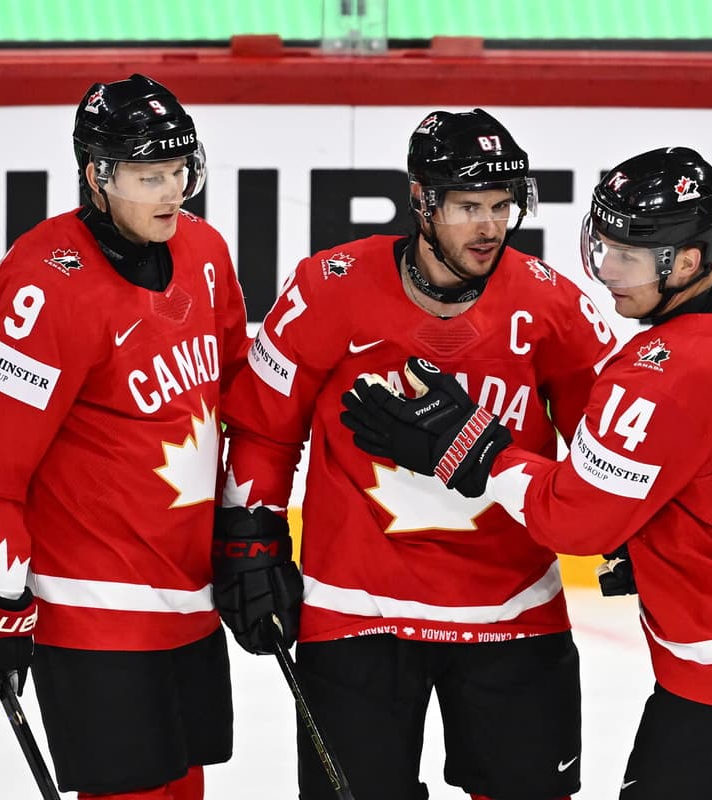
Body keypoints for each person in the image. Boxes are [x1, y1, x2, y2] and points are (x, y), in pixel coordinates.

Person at [340, 146, 712, 799]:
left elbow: (574, 519)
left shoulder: (656, 378)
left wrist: (474, 448)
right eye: (602, 244)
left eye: (629, 256)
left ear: (689, 262)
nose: (607, 270)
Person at [212, 109, 621, 800]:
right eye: (467, 206)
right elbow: (264, 427)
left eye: (501, 206)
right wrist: (250, 537)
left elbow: (610, 441)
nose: (489, 227)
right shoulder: (328, 288)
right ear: (421, 201)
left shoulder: (551, 306)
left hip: (512, 610)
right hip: (357, 611)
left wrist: (637, 535)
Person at [0, 74, 252, 800]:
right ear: (97, 177)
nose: (172, 192)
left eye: (179, 170)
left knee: (186, 787)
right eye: (150, 176)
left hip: (189, 595)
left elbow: (239, 397)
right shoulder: (42, 284)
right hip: (93, 613)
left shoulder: (205, 252)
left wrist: (247, 529)